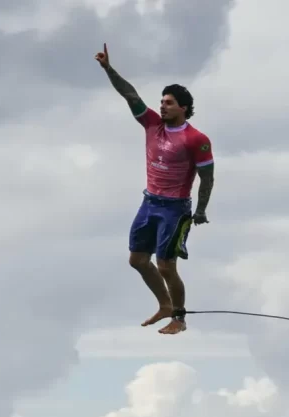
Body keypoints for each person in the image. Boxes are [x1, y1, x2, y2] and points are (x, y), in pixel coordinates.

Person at [94, 43, 215, 335]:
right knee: (137, 260)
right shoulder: (152, 124)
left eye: (169, 103)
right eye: (161, 102)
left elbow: (207, 178)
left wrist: (200, 210)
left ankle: (180, 318)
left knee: (166, 266)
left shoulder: (195, 138)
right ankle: (164, 304)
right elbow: (130, 94)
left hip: (175, 209)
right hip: (149, 202)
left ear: (183, 108)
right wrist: (109, 70)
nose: (162, 106)